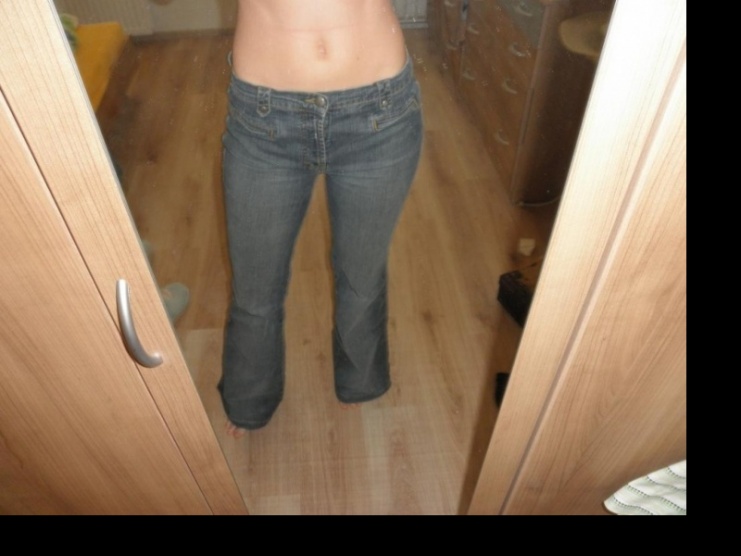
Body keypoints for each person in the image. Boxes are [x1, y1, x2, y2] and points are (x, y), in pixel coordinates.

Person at [219, 0, 424, 437]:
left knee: (362, 272)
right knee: (255, 286)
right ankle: (249, 399)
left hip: (381, 111)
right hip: (263, 120)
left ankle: (360, 382)